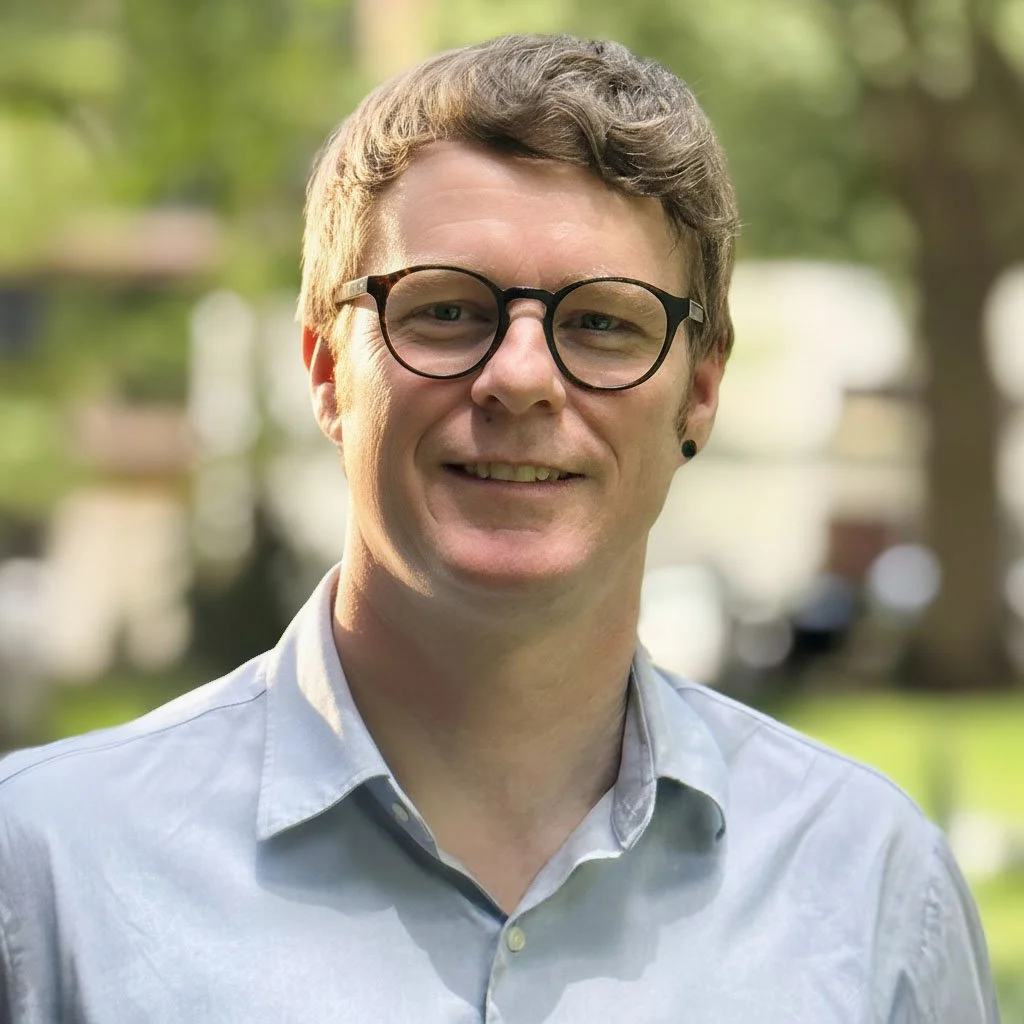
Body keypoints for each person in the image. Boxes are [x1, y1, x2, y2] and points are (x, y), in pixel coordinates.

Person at [0, 34, 999, 1023]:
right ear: (326, 371)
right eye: (445, 311)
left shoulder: (869, 891)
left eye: (602, 322)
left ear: (699, 391)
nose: (520, 377)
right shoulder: (47, 878)